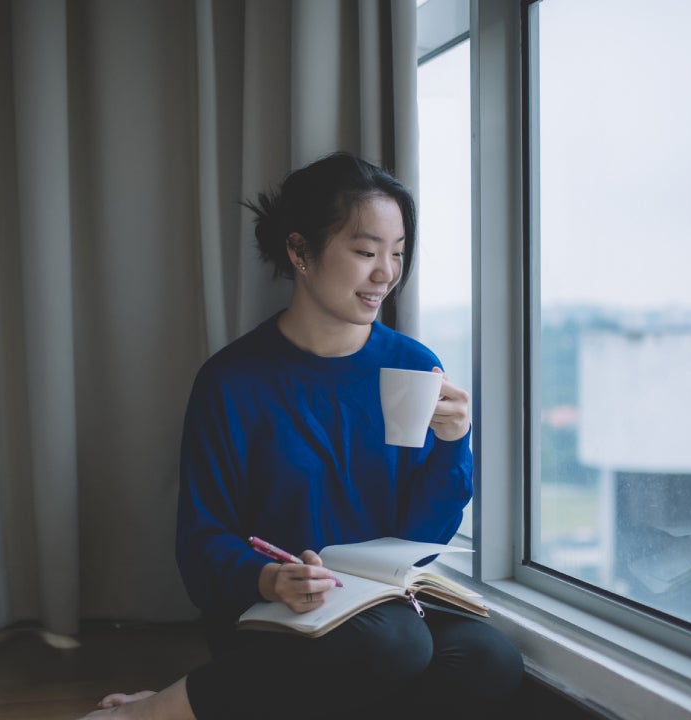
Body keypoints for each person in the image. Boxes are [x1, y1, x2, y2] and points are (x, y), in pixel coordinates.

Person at [84, 152, 523, 720]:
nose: (386, 274)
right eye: (366, 252)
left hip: (382, 607)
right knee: (391, 642)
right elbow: (201, 541)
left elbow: (423, 538)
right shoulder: (232, 380)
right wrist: (271, 579)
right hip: (276, 611)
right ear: (299, 252)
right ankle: (161, 712)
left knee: (490, 660)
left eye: (397, 253)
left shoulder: (415, 369)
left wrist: (451, 445)